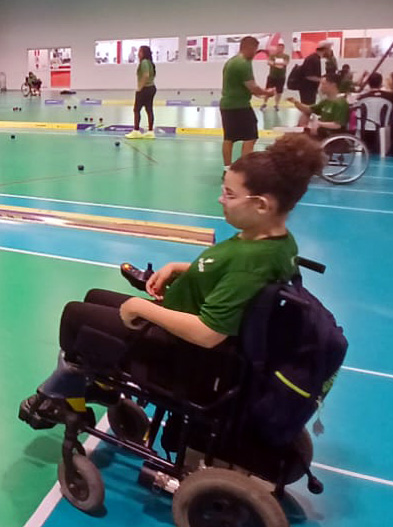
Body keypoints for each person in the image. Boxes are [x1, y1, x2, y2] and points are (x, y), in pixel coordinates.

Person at [19, 133, 326, 426]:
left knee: (75, 316)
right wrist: (182, 268)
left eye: (230, 194)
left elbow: (209, 334)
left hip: (186, 354)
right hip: (185, 319)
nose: (220, 199)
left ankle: (71, 404)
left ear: (261, 205)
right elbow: (228, 273)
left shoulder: (253, 261)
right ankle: (103, 385)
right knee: (94, 296)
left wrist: (142, 307)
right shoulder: (274, 242)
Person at [219, 36, 276, 171]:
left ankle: (227, 169)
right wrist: (267, 93)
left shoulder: (232, 62)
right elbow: (252, 87)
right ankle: (244, 169)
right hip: (239, 106)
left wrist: (260, 93)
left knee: (229, 137)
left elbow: (248, 88)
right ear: (249, 47)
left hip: (227, 105)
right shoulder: (243, 63)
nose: (255, 54)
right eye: (255, 50)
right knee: (251, 136)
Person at [125, 45, 157, 139]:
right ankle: (150, 131)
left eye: (140, 51)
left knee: (136, 109)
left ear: (143, 53)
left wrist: (140, 87)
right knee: (149, 109)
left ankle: (136, 130)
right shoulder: (150, 63)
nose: (138, 54)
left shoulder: (144, 63)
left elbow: (146, 75)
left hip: (145, 88)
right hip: (151, 87)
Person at [297, 41, 332, 106]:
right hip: (307, 89)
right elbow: (308, 76)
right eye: (329, 49)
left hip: (311, 89)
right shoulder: (313, 59)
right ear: (325, 50)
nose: (330, 51)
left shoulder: (316, 58)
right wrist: (321, 80)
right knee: (307, 107)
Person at [261, 42, 290, 111]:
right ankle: (264, 103)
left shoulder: (286, 56)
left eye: (281, 47)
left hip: (281, 77)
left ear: (283, 48)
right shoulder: (272, 55)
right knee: (268, 90)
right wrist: (277, 64)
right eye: (278, 47)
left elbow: (285, 63)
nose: (280, 49)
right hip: (272, 76)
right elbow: (269, 62)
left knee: (279, 92)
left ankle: (276, 105)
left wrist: (274, 63)